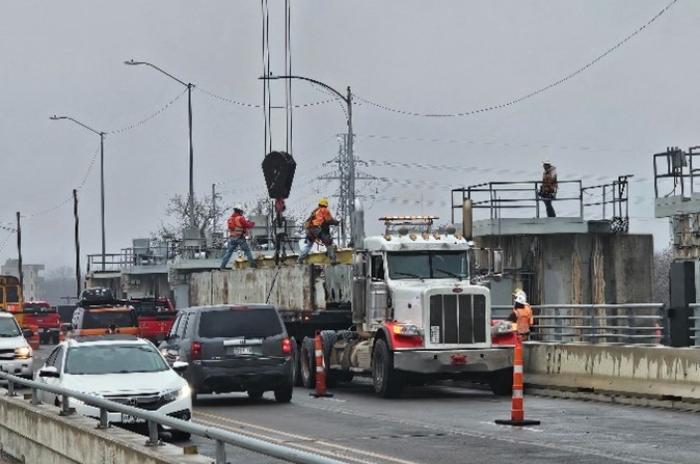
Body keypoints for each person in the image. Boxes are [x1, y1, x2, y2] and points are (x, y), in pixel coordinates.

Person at [298, 197, 339, 264]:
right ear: (326, 204)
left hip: (309, 230)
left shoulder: (316, 210)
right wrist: (336, 222)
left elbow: (310, 221)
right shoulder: (324, 210)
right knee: (328, 242)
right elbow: (329, 220)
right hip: (317, 229)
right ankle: (333, 260)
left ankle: (300, 259)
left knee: (308, 245)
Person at [220, 204, 257, 269]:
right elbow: (247, 225)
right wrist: (252, 223)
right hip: (240, 238)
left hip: (232, 238)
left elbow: (233, 227)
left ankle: (222, 266)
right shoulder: (240, 218)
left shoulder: (230, 219)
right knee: (247, 251)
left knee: (229, 252)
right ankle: (253, 265)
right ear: (240, 211)